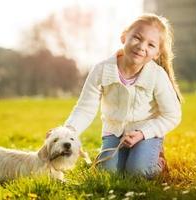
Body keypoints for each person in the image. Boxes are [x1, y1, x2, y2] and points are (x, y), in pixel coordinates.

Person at [61, 13, 183, 179]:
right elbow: (85, 108)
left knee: (137, 172)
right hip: (114, 132)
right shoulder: (101, 70)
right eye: (137, 38)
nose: (141, 46)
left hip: (147, 133)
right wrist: (67, 131)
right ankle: (109, 159)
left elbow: (172, 115)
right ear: (124, 37)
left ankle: (158, 162)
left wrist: (142, 133)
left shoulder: (157, 75)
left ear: (157, 53)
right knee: (108, 174)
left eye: (151, 44)